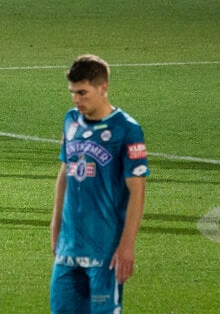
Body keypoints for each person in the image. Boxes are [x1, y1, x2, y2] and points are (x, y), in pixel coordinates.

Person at [50, 54, 149, 313]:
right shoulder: (70, 121)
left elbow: (137, 191)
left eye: (82, 92)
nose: (76, 99)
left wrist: (127, 245)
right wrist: (55, 226)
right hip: (68, 247)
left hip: (105, 250)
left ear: (103, 87)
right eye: (72, 92)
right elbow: (65, 175)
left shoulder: (127, 130)